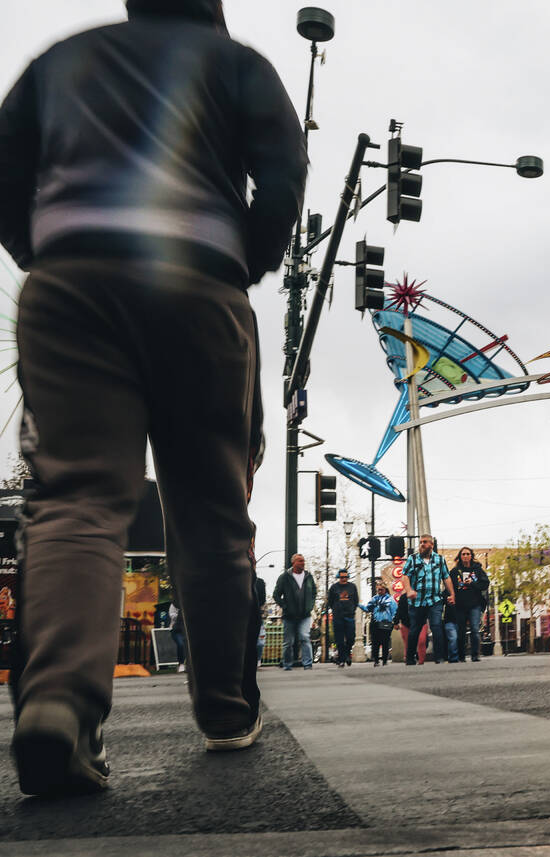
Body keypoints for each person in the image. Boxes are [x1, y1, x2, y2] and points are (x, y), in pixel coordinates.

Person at [1, 0, 307, 795]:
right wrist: (246, 260)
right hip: (197, 283)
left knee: (74, 496)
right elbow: (283, 173)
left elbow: (4, 166)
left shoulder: (62, 61)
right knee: (208, 507)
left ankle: (59, 705)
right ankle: (226, 708)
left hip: (71, 286)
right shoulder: (239, 68)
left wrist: (41, 247)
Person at [398, 536, 455, 665]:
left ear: (431, 544)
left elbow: (446, 577)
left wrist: (452, 594)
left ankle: (439, 657)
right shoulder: (412, 559)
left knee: (436, 626)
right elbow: (405, 576)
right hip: (417, 601)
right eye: (420, 542)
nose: (422, 544)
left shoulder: (440, 559)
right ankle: (411, 658)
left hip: (435, 600)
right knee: (415, 629)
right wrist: (409, 590)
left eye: (425, 542)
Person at [273, 555, 317, 671]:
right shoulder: (284, 577)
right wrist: (285, 606)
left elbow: (314, 592)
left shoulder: (309, 577)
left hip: (305, 615)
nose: (303, 563)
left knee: (305, 637)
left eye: (303, 561)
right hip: (289, 616)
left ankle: (307, 664)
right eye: (300, 561)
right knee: (288, 642)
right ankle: (287, 664)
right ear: (293, 563)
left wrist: (310, 606)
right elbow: (276, 594)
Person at [450, 547, 490, 663]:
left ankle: (475, 655)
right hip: (460, 605)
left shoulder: (477, 570)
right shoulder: (455, 571)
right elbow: (449, 586)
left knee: (474, 629)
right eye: (463, 554)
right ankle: (461, 656)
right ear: (460, 556)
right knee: (461, 631)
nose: (465, 556)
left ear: (471, 556)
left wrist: (473, 583)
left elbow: (485, 583)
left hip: (474, 604)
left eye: (468, 554)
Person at [359, 582, 398, 666]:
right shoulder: (374, 599)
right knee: (375, 642)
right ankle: (376, 660)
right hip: (375, 622)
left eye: (381, 589)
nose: (379, 591)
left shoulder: (390, 600)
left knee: (385, 642)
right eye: (378, 590)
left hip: (386, 622)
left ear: (385, 590)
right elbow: (367, 609)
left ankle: (384, 660)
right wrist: (359, 605)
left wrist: (395, 622)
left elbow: (394, 612)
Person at [327, 569, 359, 667]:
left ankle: (346, 653)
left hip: (349, 615)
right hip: (338, 616)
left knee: (351, 637)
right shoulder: (333, 588)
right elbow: (330, 601)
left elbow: (356, 600)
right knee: (339, 639)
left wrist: (352, 609)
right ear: (338, 577)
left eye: (346, 577)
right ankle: (342, 660)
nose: (344, 579)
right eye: (342, 577)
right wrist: (336, 609)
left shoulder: (352, 587)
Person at [168, 601, 188, 674]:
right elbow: (171, 615)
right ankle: (181, 664)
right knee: (181, 644)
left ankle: (188, 664)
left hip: (187, 629)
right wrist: (180, 614)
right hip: (176, 629)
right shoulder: (174, 604)